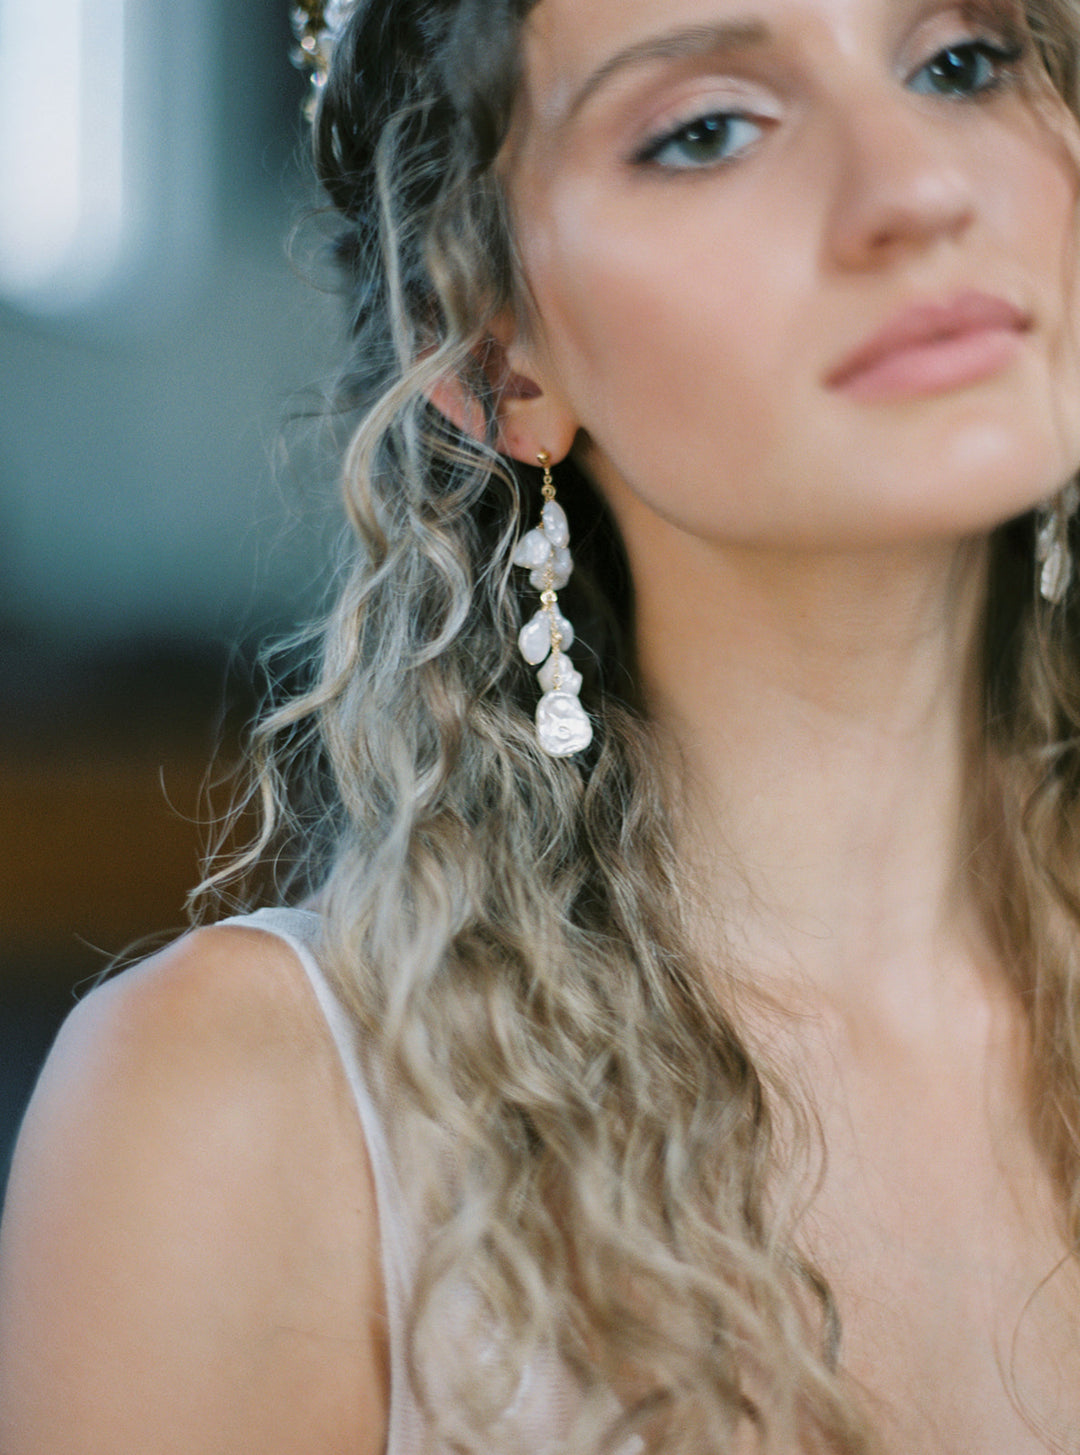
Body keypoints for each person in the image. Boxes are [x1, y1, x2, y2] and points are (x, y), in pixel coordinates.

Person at [3, 0, 1080, 1447]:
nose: (916, 189)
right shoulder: (254, 1122)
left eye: (961, 62)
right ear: (491, 353)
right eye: (705, 131)